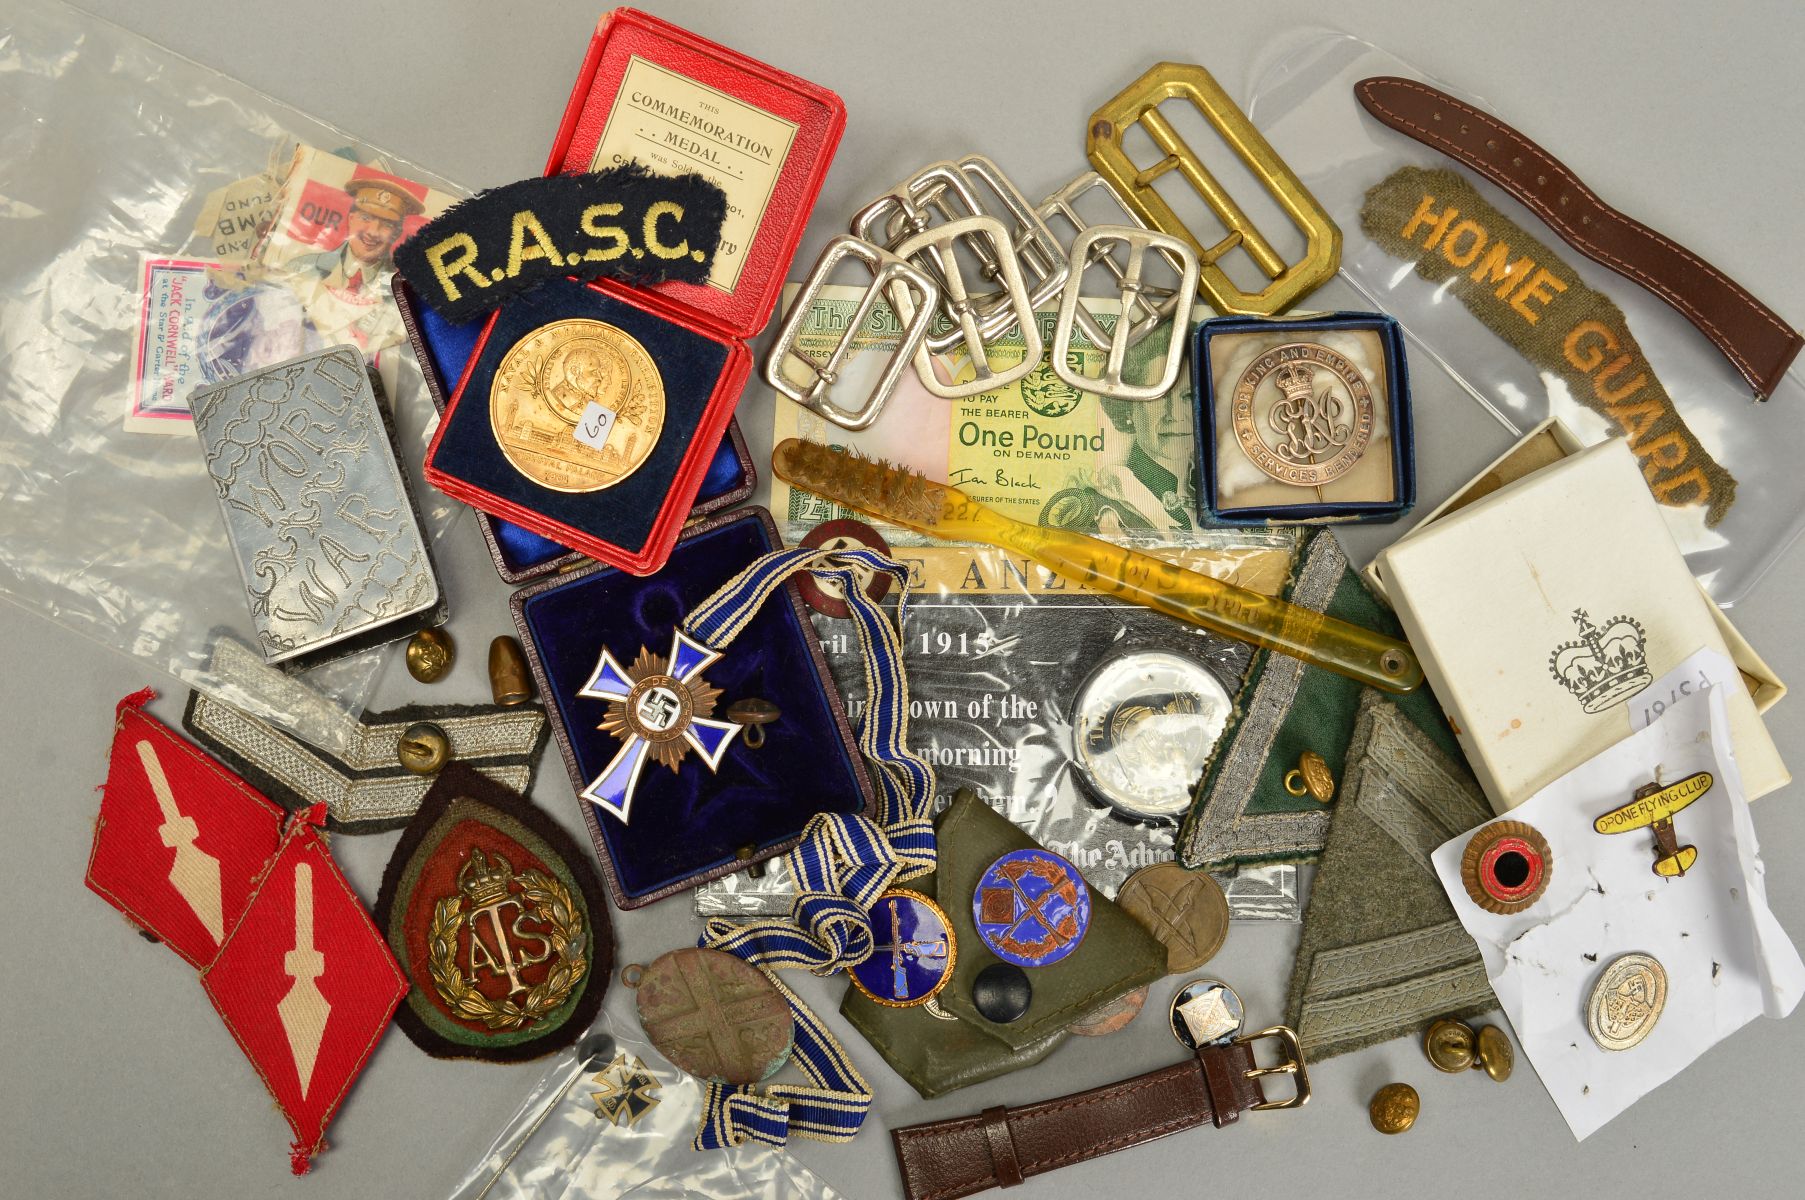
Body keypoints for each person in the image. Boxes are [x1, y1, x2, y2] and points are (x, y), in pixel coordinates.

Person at [284, 176, 425, 352]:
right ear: (351, 219)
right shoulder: (300, 268)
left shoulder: (405, 297)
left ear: (396, 234)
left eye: (386, 224)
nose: (373, 232)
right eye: (365, 218)